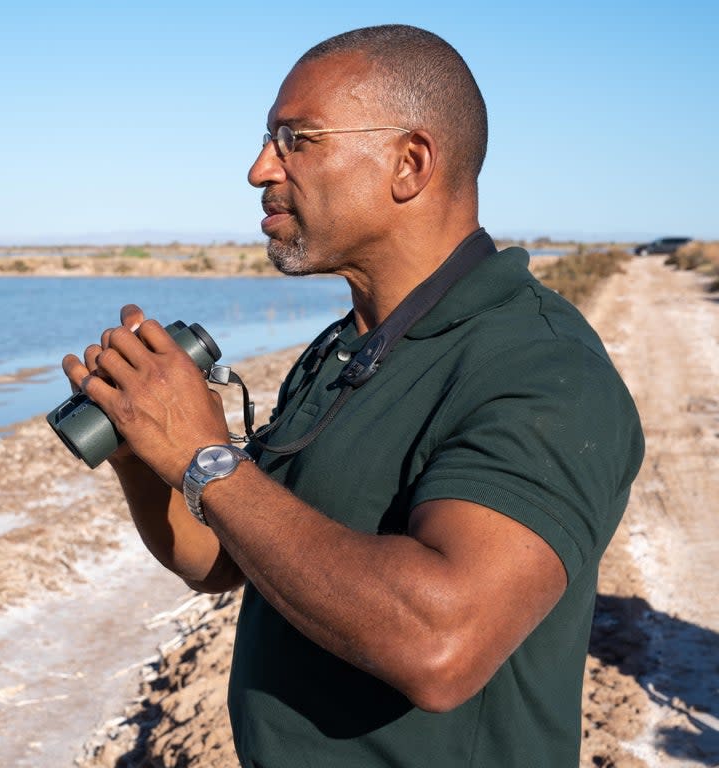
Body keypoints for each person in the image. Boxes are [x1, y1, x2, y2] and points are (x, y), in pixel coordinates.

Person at [60, 24, 644, 768]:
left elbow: (441, 644)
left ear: (410, 163)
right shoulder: (350, 346)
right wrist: (146, 444)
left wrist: (206, 456)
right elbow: (220, 557)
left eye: (295, 139)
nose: (257, 169)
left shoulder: (545, 372)